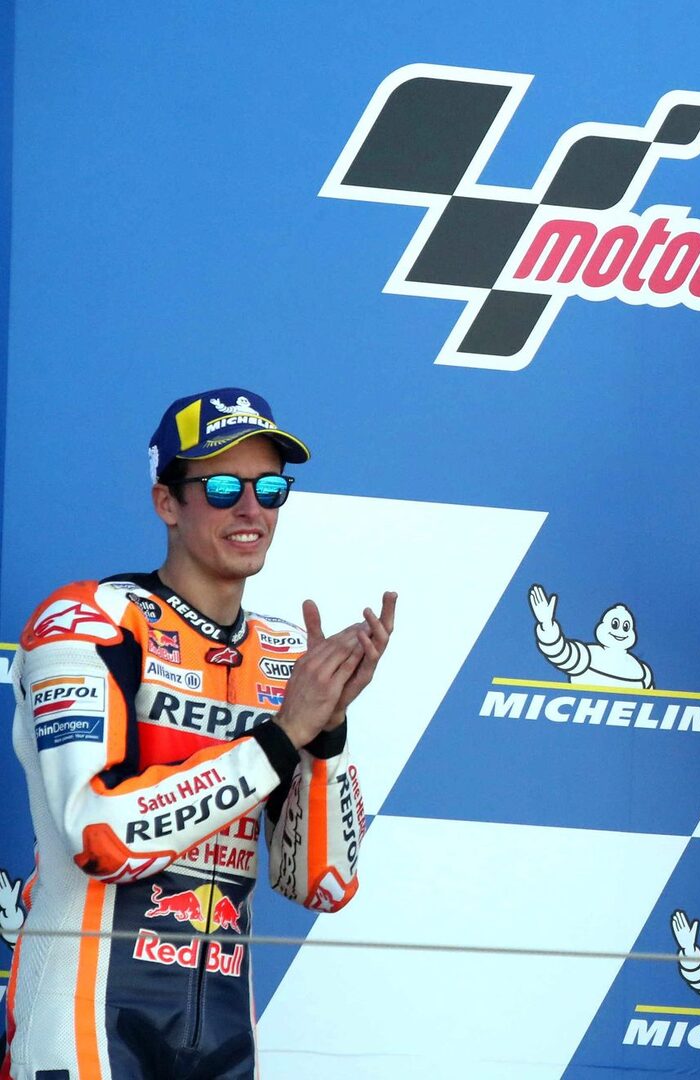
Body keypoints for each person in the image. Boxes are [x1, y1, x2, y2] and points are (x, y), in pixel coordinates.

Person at [4, 388, 396, 1079]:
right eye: (221, 488)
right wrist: (283, 734)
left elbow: (322, 884)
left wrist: (327, 737)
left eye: (269, 489)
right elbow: (101, 837)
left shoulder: (286, 656)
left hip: (223, 1029)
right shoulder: (90, 619)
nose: (251, 509)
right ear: (167, 502)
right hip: (86, 1015)